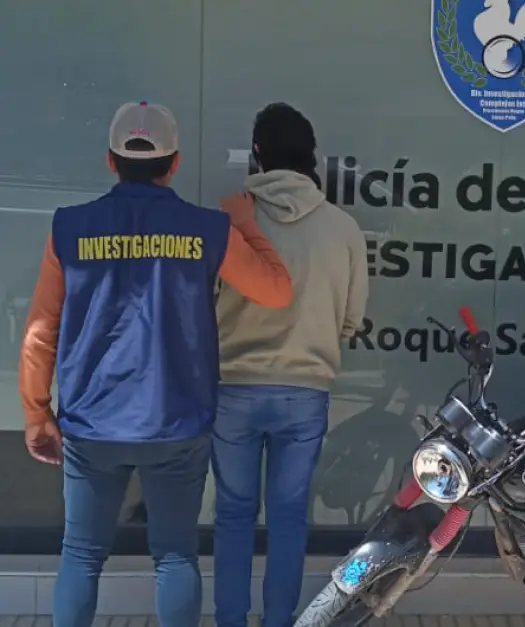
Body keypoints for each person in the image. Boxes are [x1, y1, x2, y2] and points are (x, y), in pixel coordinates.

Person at [18, 101, 293, 627]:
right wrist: (246, 226)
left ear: (110, 161)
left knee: (81, 554)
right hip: (177, 422)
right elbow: (277, 292)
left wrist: (36, 413)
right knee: (174, 555)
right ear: (175, 163)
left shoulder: (70, 227)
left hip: (91, 423)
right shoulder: (208, 228)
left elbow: (39, 334)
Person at [212, 102, 368, 627]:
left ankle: (230, 620)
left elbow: (202, 304)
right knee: (287, 517)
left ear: (257, 154)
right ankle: (280, 620)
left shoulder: (229, 222)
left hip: (232, 387)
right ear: (311, 156)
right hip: (305, 391)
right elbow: (351, 319)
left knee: (233, 515)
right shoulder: (343, 228)